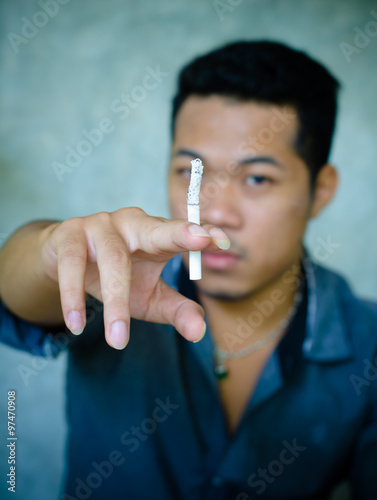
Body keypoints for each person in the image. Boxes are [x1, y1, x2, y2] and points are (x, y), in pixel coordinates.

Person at [0, 40, 376, 500]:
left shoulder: (366, 344)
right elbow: (16, 284)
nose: (215, 212)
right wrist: (49, 247)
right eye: (190, 172)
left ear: (320, 189)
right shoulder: (114, 280)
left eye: (257, 178)